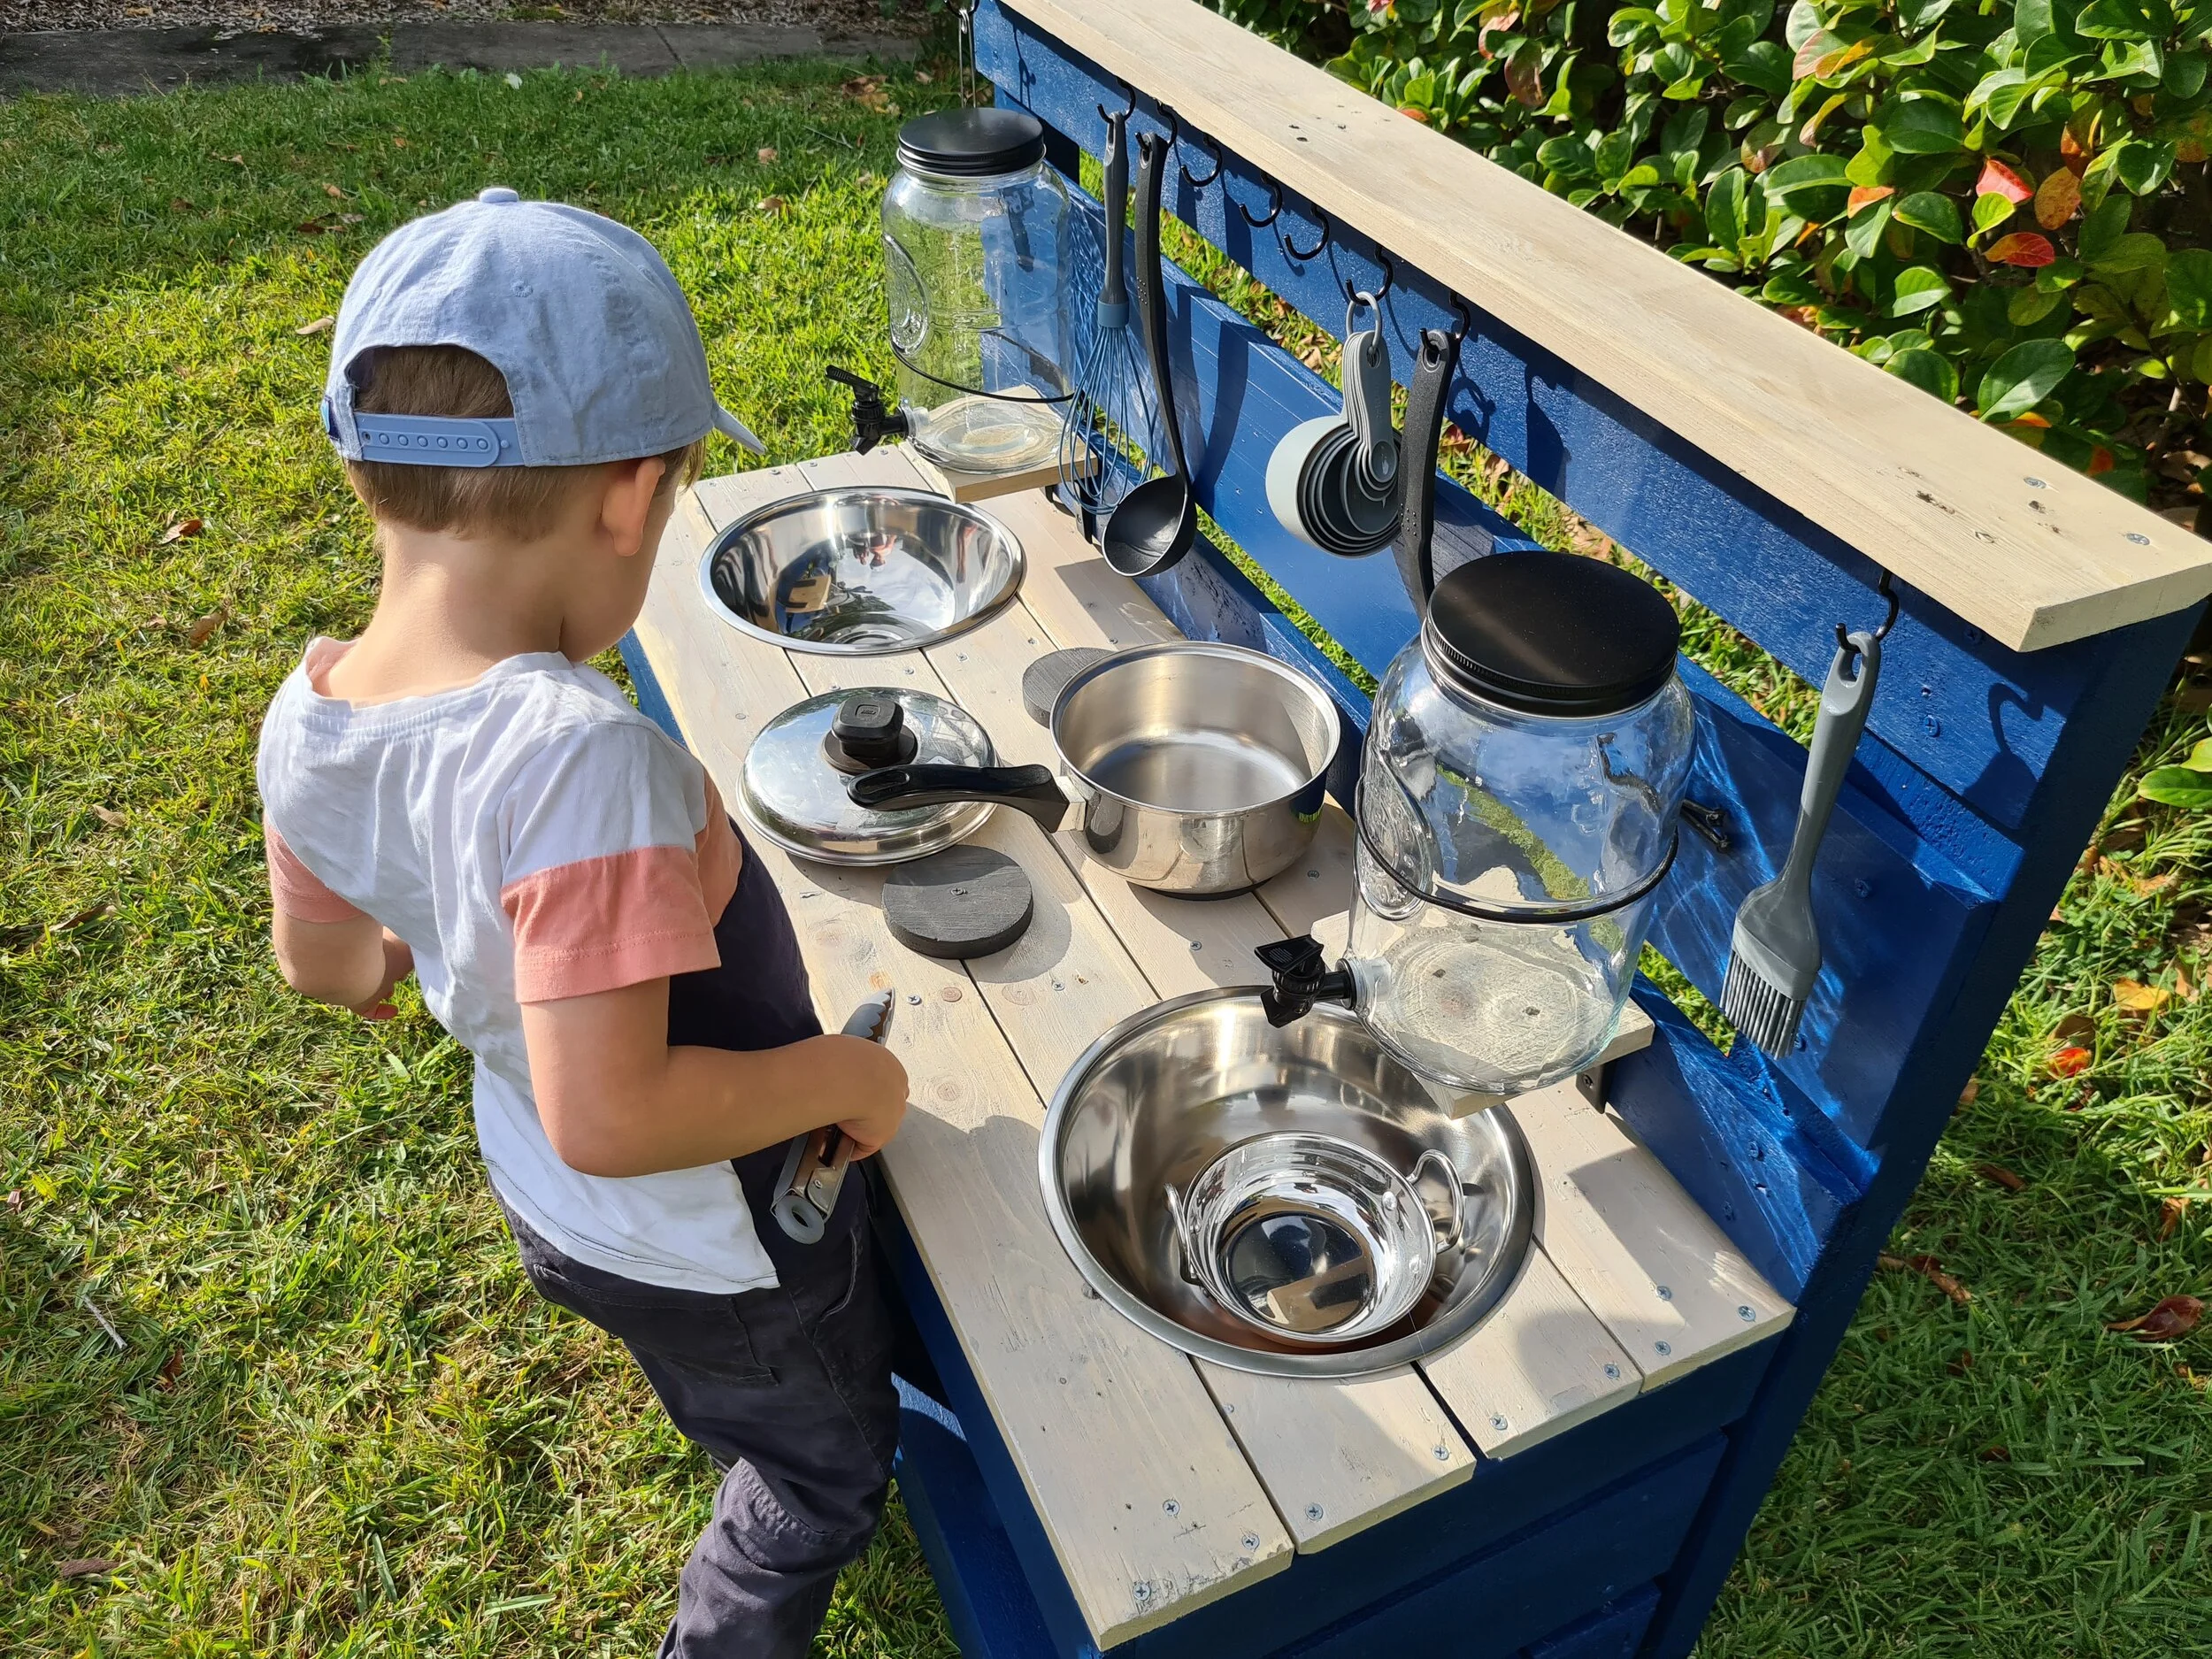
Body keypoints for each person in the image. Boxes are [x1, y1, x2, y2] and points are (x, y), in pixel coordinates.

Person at [254, 188, 910, 1659]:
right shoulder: (581, 762)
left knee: (718, 1377)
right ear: (629, 497)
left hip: (552, 1207)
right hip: (714, 1226)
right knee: (821, 1464)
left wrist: (445, 942)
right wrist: (845, 1080)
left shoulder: (310, 713)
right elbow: (614, 1109)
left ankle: (732, 1412)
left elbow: (330, 964)